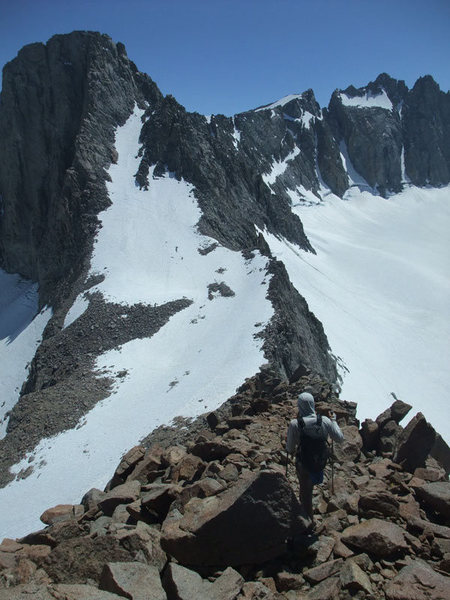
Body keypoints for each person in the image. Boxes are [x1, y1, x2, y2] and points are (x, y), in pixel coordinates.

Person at [286, 392, 344, 526]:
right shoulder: (324, 420)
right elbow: (340, 438)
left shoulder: (295, 424)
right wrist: (334, 420)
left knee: (305, 492)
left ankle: (308, 522)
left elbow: (289, 448)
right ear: (312, 404)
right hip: (320, 461)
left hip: (303, 463)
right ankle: (308, 518)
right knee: (309, 488)